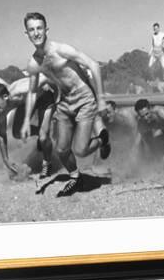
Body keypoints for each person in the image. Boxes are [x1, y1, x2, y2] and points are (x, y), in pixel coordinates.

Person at [20, 12, 110, 197]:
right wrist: (25, 122)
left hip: (84, 99)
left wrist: (100, 99)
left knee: (80, 150)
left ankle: (102, 139)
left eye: (39, 28)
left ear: (46, 29)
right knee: (61, 149)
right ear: (26, 33)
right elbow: (31, 92)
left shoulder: (61, 49)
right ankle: (75, 178)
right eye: (31, 30)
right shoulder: (33, 63)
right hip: (64, 101)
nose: (36, 33)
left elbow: (93, 65)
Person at [0, 79, 56, 178]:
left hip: (45, 97)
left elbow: (43, 76)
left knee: (44, 137)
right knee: (17, 133)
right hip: (26, 103)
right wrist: (6, 161)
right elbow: (1, 135)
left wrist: (53, 86)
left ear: (5, 97)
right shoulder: (0, 110)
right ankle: (43, 133)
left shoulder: (20, 90)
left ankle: (47, 164)